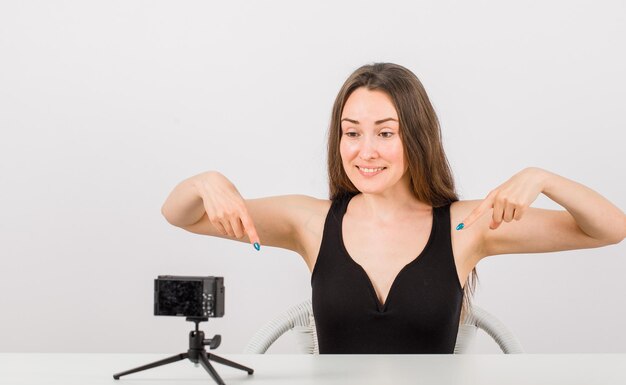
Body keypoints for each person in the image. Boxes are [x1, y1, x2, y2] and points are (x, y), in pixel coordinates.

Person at [161, 62, 625, 354]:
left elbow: (608, 229)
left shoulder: (467, 224)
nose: (366, 151)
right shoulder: (308, 221)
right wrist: (207, 182)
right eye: (351, 132)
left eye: (385, 132)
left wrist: (543, 179)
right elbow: (180, 214)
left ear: (416, 138)